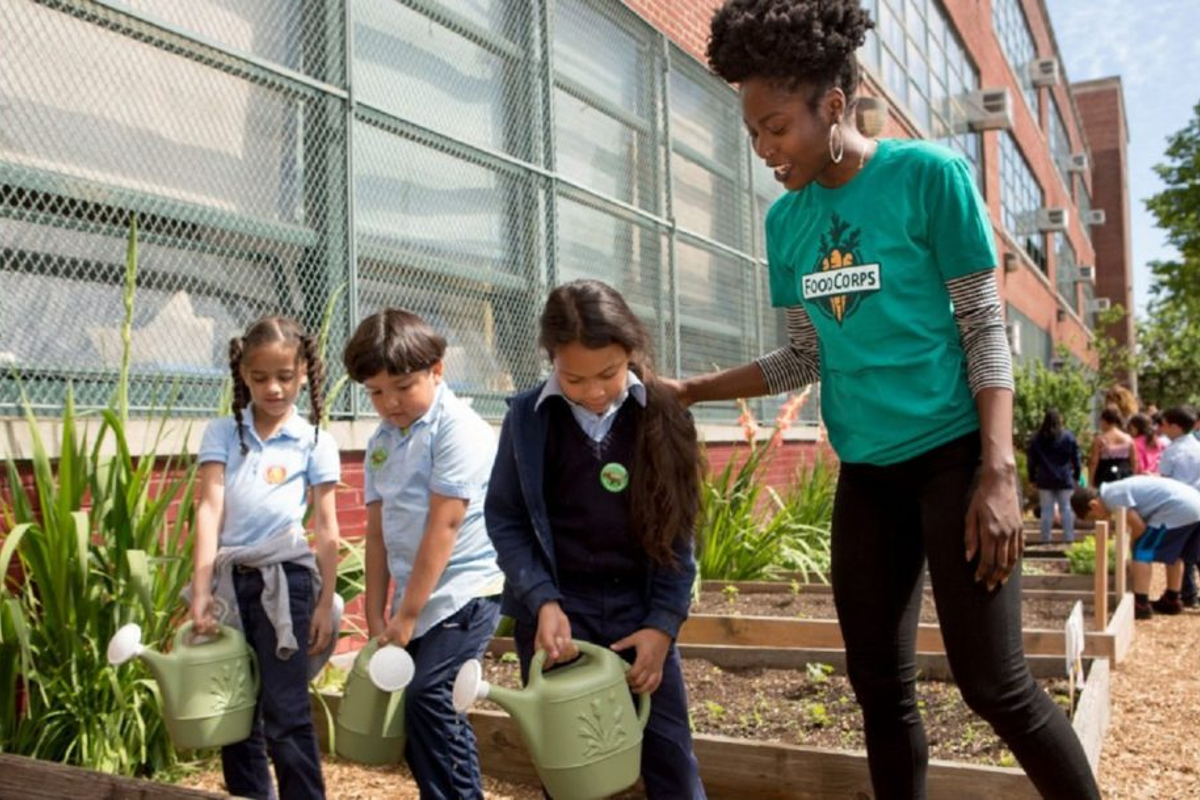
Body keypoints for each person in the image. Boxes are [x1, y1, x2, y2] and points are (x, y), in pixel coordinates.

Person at [669, 2, 1101, 798]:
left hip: (955, 461)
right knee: (878, 689)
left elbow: (983, 327)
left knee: (994, 686)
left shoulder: (929, 178)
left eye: (777, 128)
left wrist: (999, 473)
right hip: (868, 475)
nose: (764, 149)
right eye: (753, 133)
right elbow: (804, 355)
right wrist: (692, 390)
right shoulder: (788, 223)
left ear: (832, 106)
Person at [485, 279, 705, 799]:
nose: (594, 391)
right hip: (560, 615)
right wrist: (543, 601)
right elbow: (506, 519)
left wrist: (662, 625)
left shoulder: (664, 413)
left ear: (631, 349)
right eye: (574, 378)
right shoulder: (525, 419)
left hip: (640, 610)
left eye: (608, 373)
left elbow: (679, 532)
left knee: (670, 756)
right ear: (551, 360)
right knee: (573, 768)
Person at [341, 309, 503, 800]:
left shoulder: (458, 429)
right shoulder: (382, 441)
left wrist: (407, 615)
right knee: (414, 710)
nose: (389, 403)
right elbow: (375, 533)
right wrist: (375, 613)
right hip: (417, 599)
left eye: (403, 386)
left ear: (438, 369)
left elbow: (445, 523)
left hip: (464, 591)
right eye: (374, 392)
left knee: (432, 695)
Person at [188, 315, 340, 800]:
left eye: (285, 377)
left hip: (287, 582)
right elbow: (210, 510)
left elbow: (327, 526)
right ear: (243, 376)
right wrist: (201, 590)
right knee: (236, 710)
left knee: (286, 710)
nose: (273, 388)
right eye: (260, 378)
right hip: (230, 583)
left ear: (303, 375)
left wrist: (324, 600)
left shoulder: (315, 441)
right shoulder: (221, 434)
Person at [1071, 476, 1200, 619]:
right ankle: (1172, 599)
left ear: (1093, 505)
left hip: (1177, 509)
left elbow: (1139, 527)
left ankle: (1141, 605)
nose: (1097, 520)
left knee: (1142, 552)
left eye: (1092, 517)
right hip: (1193, 503)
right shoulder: (1114, 489)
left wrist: (1133, 551)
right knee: (1176, 554)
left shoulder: (1113, 497)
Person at [1158, 406, 1200, 608]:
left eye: (1164, 424)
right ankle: (1189, 595)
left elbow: (1165, 481)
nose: (1161, 428)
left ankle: (1184, 594)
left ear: (1175, 427)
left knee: (1179, 554)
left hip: (1180, 506)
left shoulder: (1172, 451)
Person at [1026, 409, 1082, 544]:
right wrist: (1077, 475)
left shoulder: (1037, 439)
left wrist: (1032, 478)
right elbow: (1076, 459)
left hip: (1045, 479)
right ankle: (1068, 538)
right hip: (1064, 478)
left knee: (1046, 510)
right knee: (1066, 508)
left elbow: (1032, 461)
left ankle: (1046, 539)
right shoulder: (1068, 437)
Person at [1088, 406, 1136, 489]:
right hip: (1124, 473)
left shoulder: (1100, 439)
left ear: (1104, 421)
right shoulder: (1129, 438)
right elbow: (1134, 460)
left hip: (1105, 473)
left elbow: (1093, 462)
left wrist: (1090, 482)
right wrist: (1133, 475)